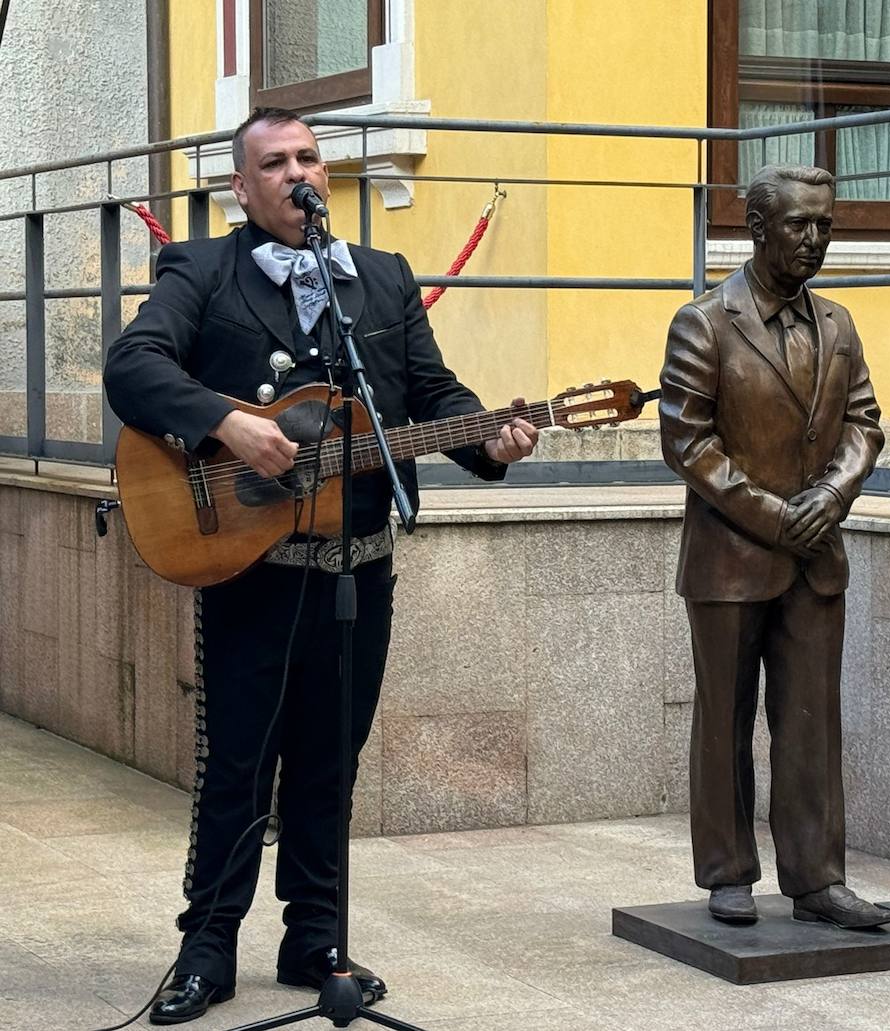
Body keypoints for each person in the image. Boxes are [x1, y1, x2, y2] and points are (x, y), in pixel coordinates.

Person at [103, 107, 538, 1025]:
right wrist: (225, 422)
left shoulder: (378, 279)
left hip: (358, 568)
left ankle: (316, 938)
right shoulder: (201, 269)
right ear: (241, 185)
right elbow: (133, 366)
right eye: (274, 162)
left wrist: (493, 438)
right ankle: (207, 947)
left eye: (309, 157)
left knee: (330, 761)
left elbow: (434, 395)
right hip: (252, 571)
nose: (297, 173)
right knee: (240, 764)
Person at [659, 164, 889, 929]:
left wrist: (829, 496)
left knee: (812, 720)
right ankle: (727, 870)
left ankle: (818, 876)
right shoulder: (705, 323)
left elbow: (865, 422)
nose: (817, 239)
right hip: (731, 554)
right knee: (725, 717)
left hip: (815, 552)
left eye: (825, 225)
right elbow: (688, 442)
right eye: (800, 225)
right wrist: (770, 514)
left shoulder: (839, 324)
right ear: (758, 228)